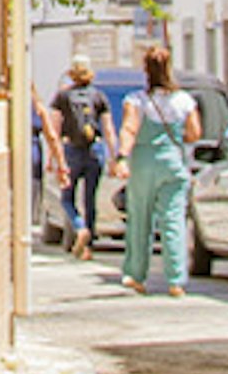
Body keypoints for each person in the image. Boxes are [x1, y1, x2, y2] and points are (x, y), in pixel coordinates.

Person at [111, 46, 204, 295]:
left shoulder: (137, 100)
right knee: (173, 221)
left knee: (140, 220)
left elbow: (130, 128)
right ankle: (176, 280)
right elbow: (195, 133)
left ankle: (136, 275)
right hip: (173, 163)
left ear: (146, 70)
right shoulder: (184, 100)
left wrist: (122, 157)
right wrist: (175, 137)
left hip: (143, 163)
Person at [45, 59, 112, 256]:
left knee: (67, 198)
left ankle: (79, 226)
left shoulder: (63, 96)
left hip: (71, 149)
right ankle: (88, 246)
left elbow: (54, 129)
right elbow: (108, 129)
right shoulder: (99, 96)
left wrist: (52, 157)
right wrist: (114, 157)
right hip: (94, 150)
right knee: (90, 199)